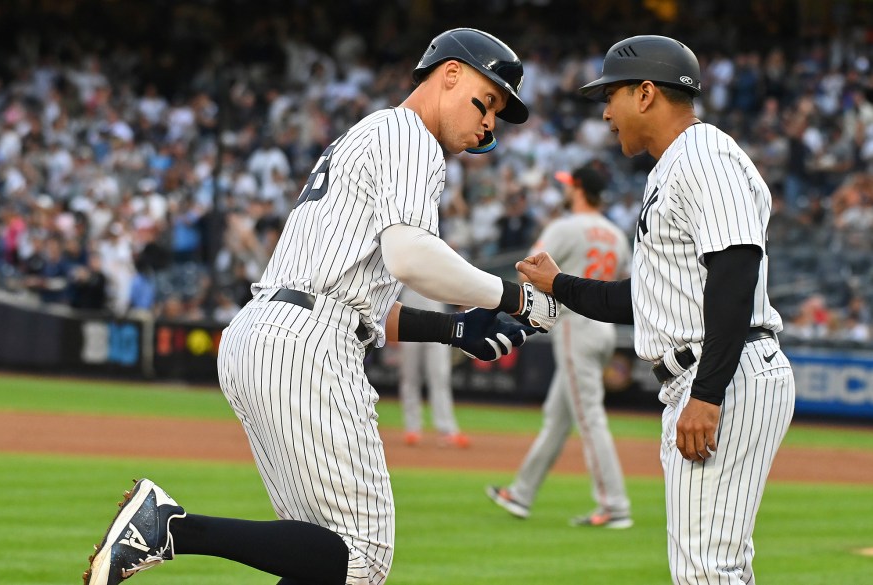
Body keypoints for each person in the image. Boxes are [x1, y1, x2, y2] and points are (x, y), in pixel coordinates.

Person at [83, 28, 559, 585]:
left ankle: (168, 527)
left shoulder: (372, 135)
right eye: (488, 101)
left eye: (497, 114)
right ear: (450, 73)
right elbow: (409, 257)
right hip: (308, 344)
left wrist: (454, 329)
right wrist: (513, 295)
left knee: (320, 557)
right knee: (362, 556)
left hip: (270, 334)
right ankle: (171, 528)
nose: (489, 123)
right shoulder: (411, 137)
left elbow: (359, 299)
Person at [516, 35, 795, 584]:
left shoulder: (706, 156)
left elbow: (735, 272)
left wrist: (708, 394)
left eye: (611, 95)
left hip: (724, 376)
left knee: (705, 570)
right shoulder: (674, 167)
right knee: (714, 566)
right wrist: (561, 284)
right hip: (707, 373)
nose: (605, 111)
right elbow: (641, 297)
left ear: (645, 94)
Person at [487, 164, 633, 528]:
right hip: (604, 330)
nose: (565, 190)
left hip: (576, 327)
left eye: (570, 185)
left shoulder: (565, 227)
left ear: (579, 188)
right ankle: (521, 493)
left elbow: (527, 268)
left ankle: (615, 506)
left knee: (589, 418)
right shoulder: (616, 234)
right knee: (558, 416)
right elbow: (625, 283)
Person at [397, 286, 469, 448]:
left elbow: (451, 285)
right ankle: (412, 428)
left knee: (440, 378)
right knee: (409, 377)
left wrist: (461, 306)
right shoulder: (399, 263)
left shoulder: (437, 264)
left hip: (437, 323)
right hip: (407, 322)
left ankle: (447, 430)